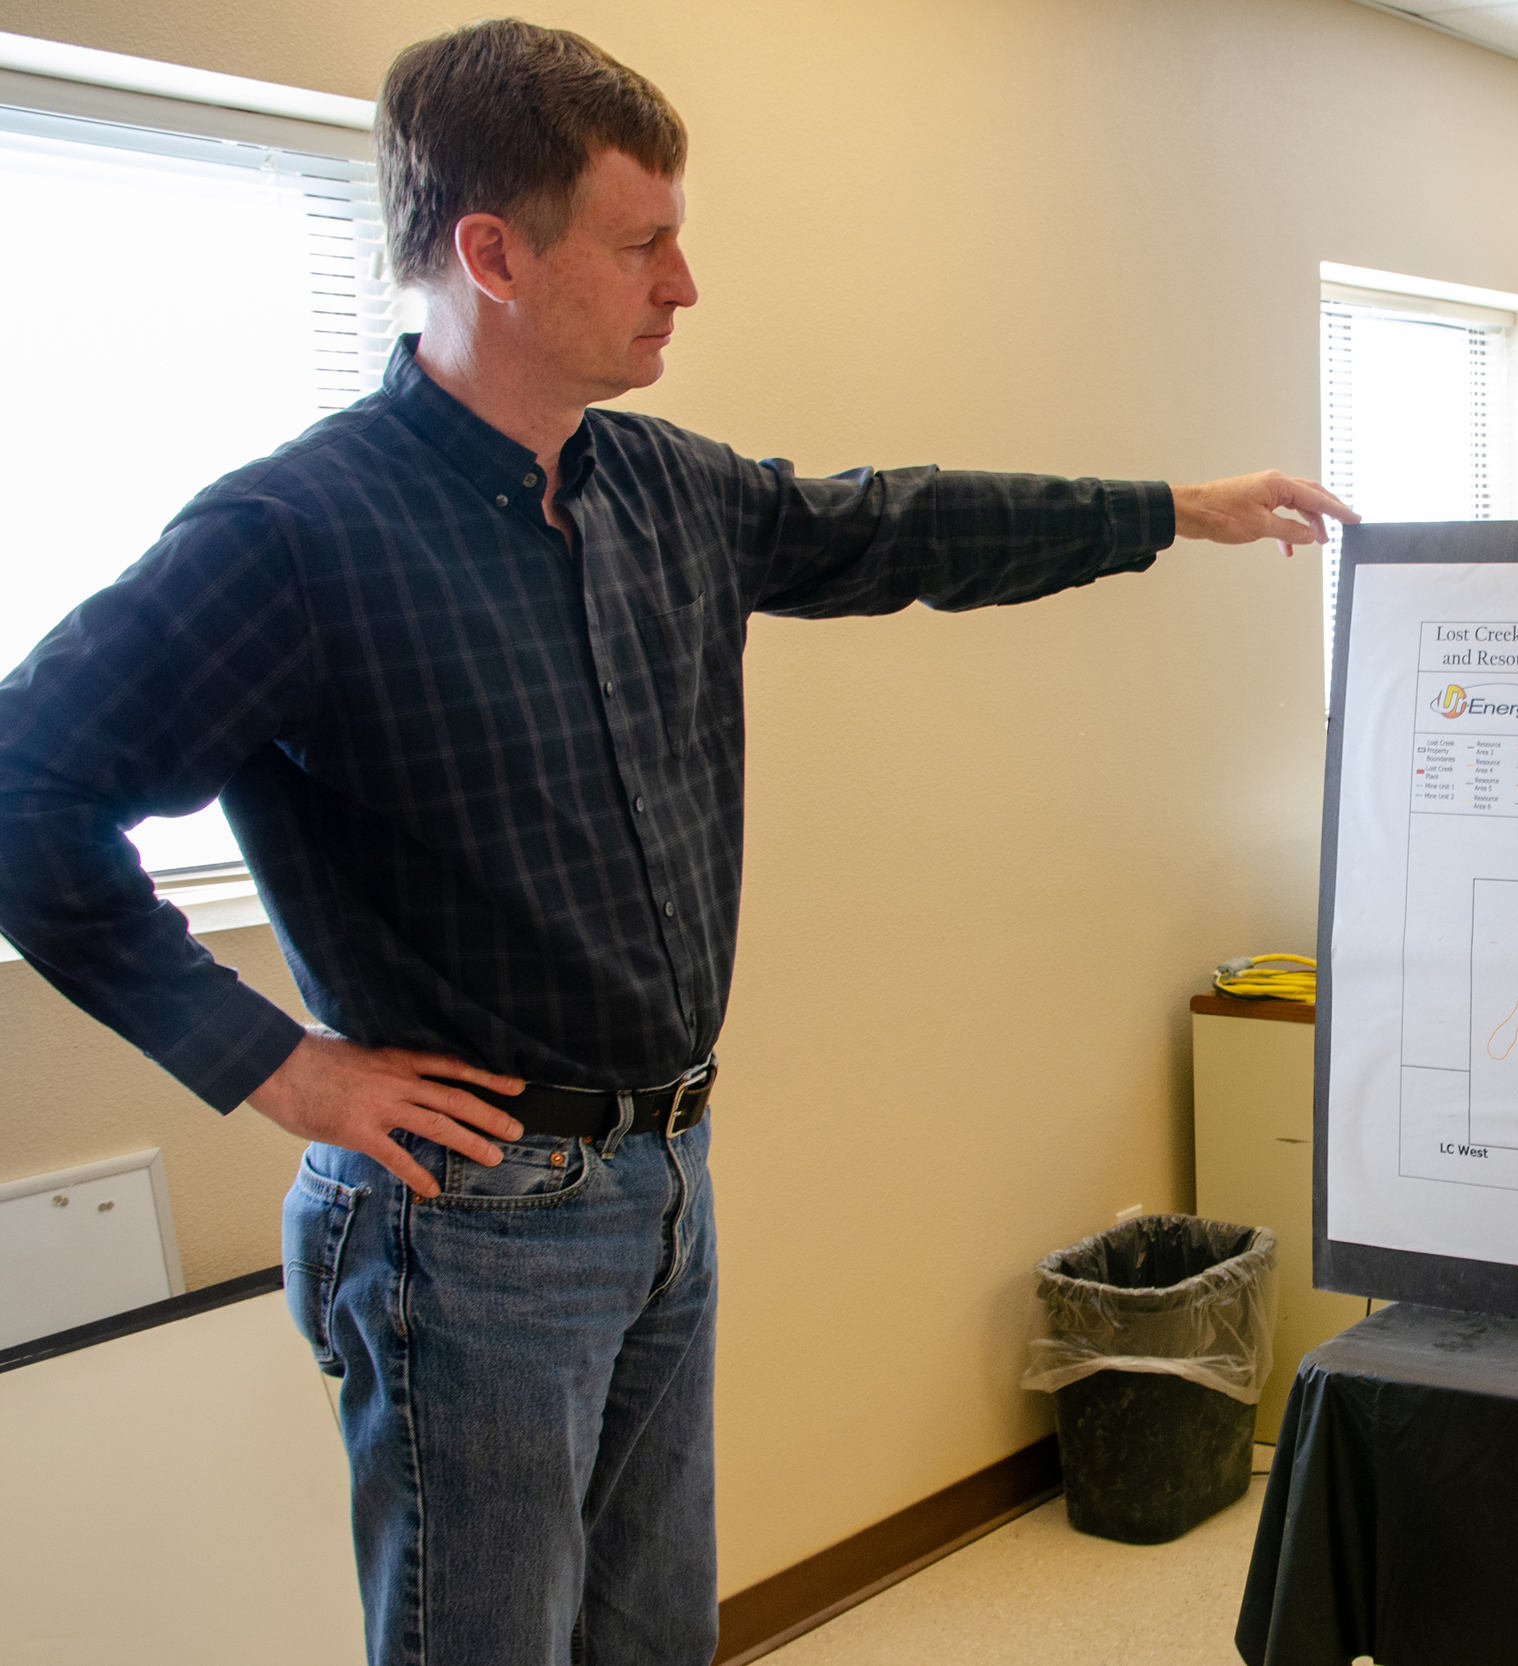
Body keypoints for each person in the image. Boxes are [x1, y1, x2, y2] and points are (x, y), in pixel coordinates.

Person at [0, 19, 1353, 1666]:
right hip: (467, 1220)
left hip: (661, 1183)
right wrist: (282, 1069)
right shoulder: (293, 536)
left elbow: (902, 523)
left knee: (651, 1638)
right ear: (493, 255)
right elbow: (25, 793)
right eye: (643, 243)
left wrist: (1173, 511)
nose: (685, 285)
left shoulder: (658, 490)